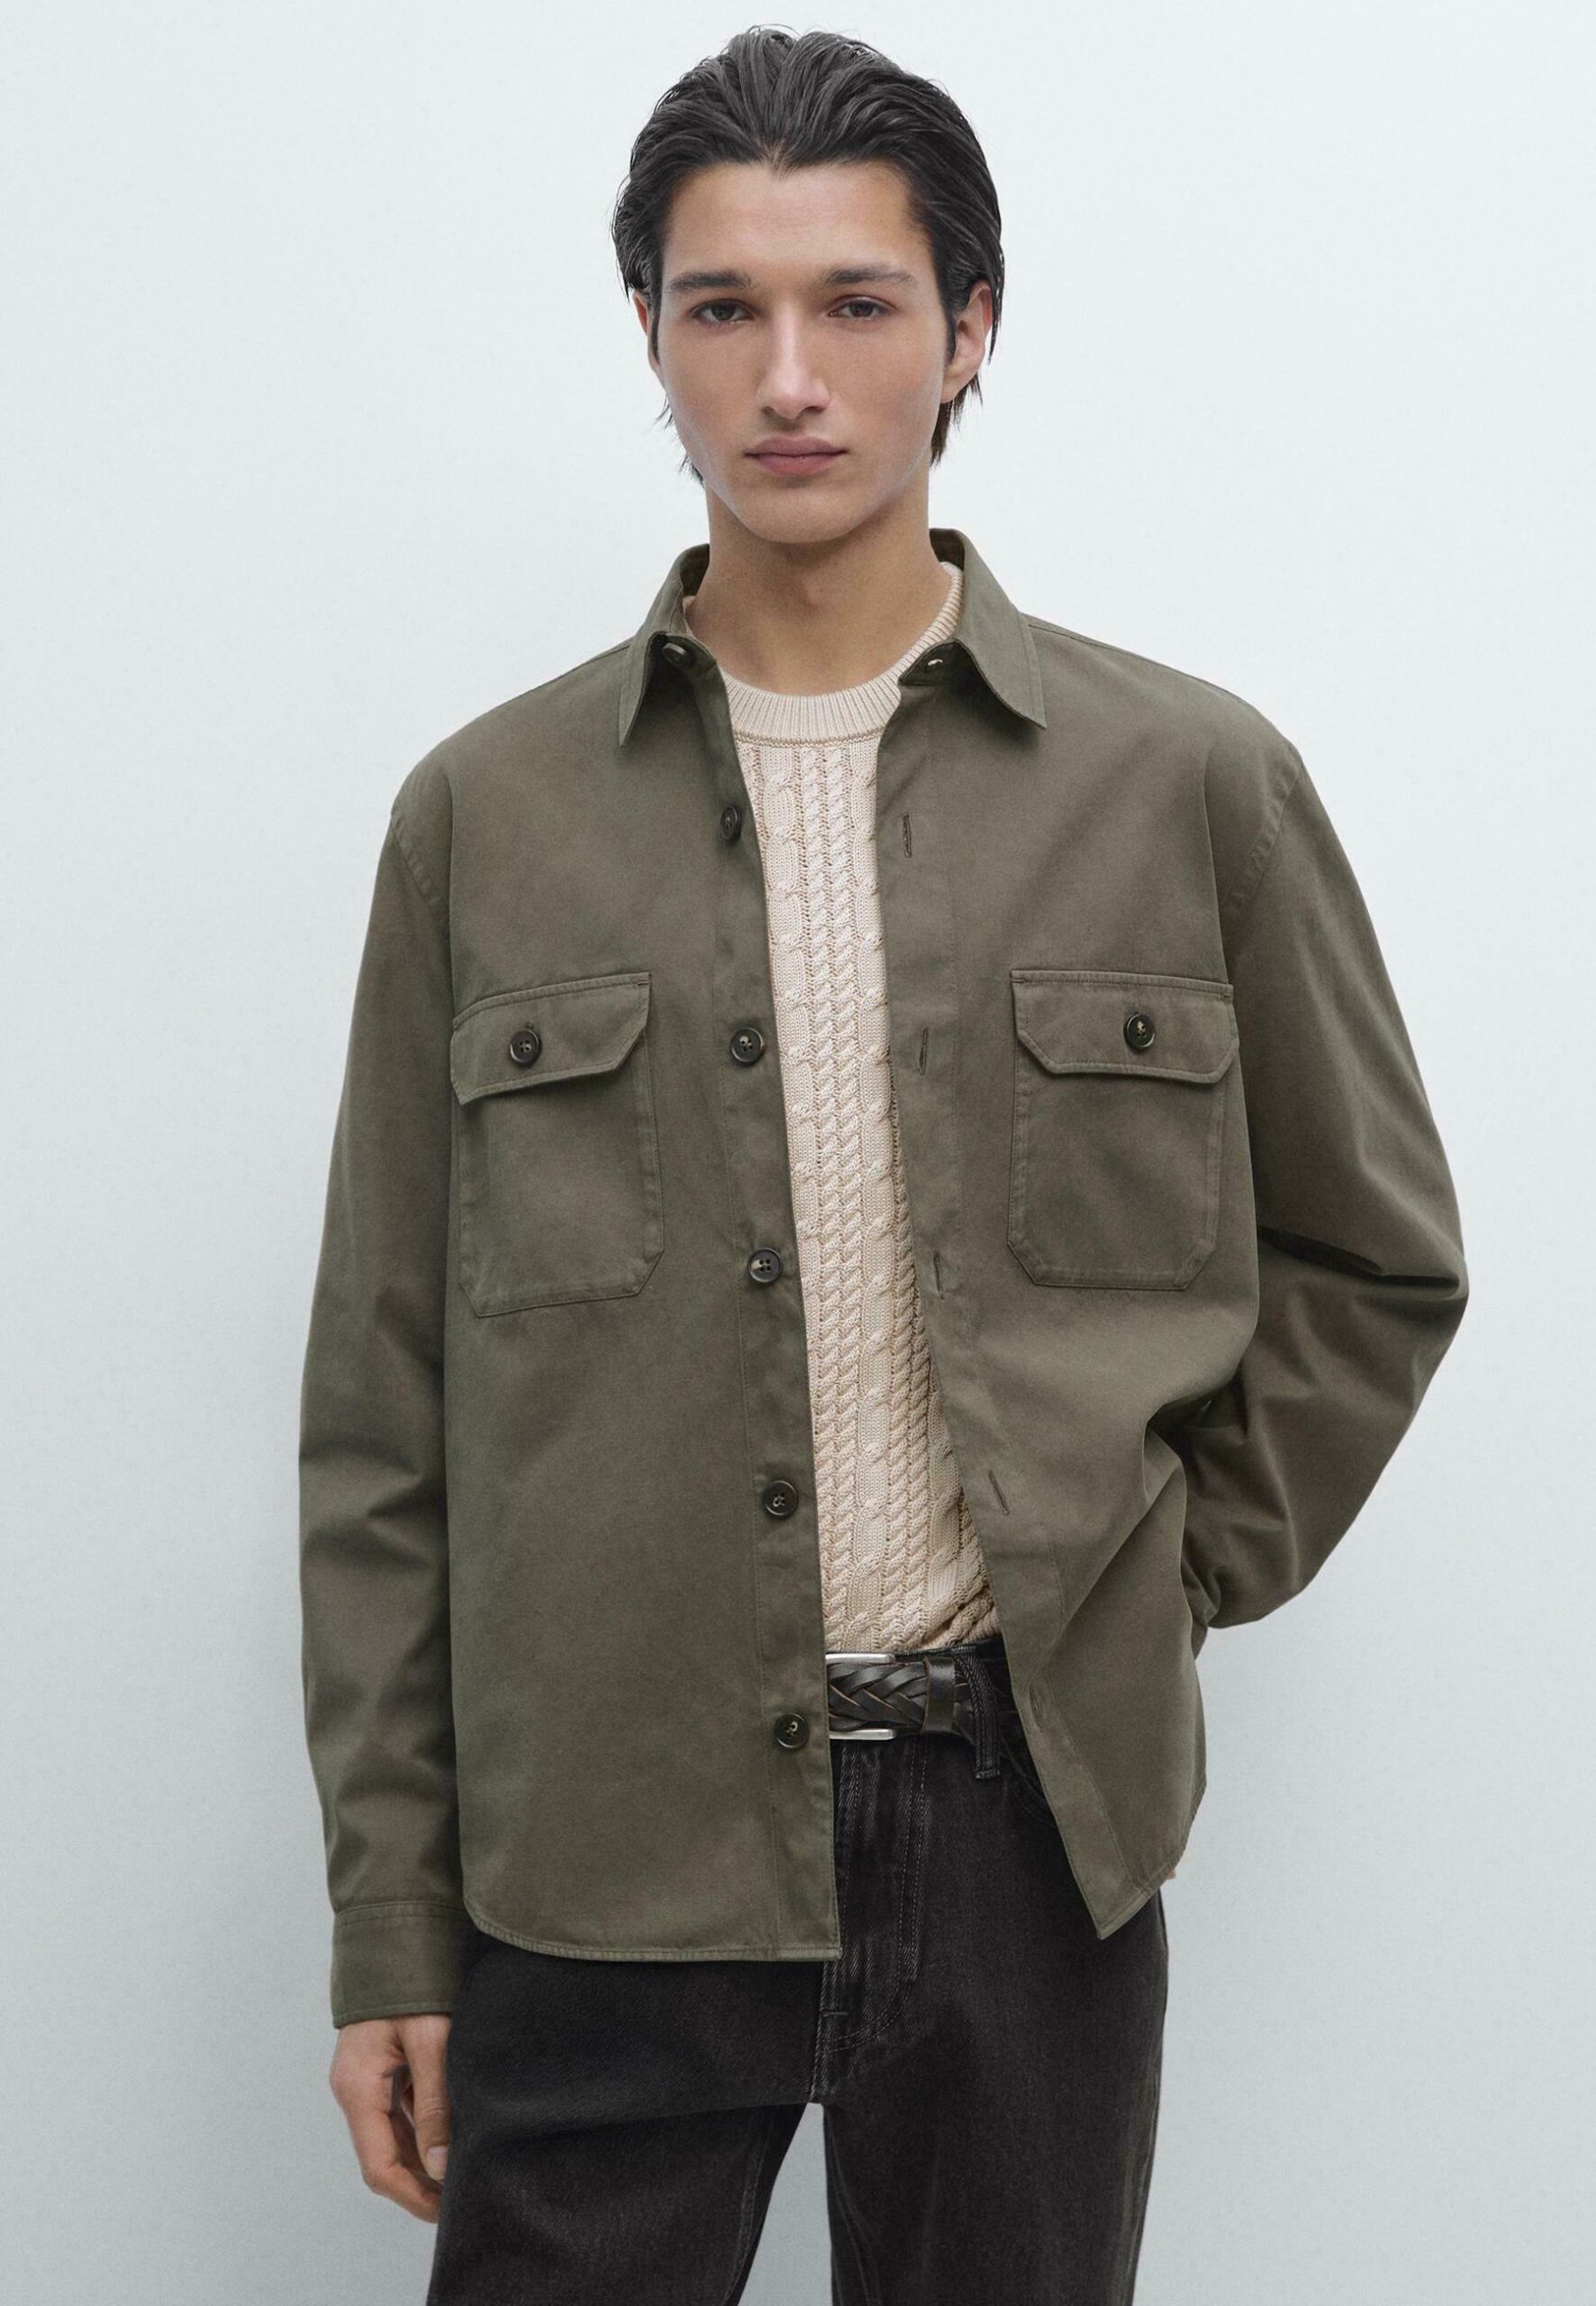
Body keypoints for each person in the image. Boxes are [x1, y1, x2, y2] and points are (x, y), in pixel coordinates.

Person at [297, 27, 1469, 2303]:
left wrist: (1142, 1580)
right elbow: (385, 1421)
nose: (787, 376)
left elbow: (1372, 1260)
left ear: (969, 330)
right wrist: (388, 1923)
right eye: (721, 306)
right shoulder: (486, 819)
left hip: (1033, 1830)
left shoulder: (1185, 781)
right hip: (603, 1839)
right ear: (648, 334)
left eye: (855, 302)